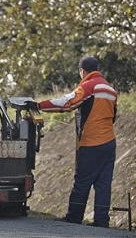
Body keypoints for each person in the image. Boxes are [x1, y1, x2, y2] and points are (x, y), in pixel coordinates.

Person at [39, 56, 118, 228]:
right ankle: (102, 221)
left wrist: (39, 105)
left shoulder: (88, 86)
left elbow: (67, 103)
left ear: (82, 71)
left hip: (92, 143)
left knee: (82, 181)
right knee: (103, 184)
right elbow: (113, 116)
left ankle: (74, 219)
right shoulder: (110, 89)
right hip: (109, 142)